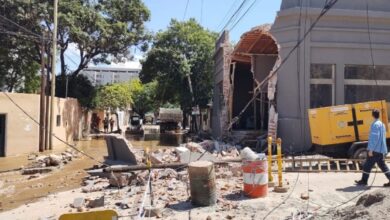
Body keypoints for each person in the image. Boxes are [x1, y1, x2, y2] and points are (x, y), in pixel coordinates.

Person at [355, 109, 390, 187]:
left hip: (375, 150)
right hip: (381, 150)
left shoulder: (375, 125)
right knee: (383, 166)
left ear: (372, 115)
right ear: (379, 115)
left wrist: (371, 150)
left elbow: (375, 138)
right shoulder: (382, 124)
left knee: (367, 166)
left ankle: (364, 181)